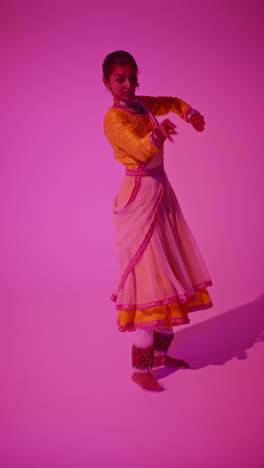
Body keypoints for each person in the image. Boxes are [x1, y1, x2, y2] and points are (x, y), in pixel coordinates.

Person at [103, 50, 213, 391]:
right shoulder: (113, 118)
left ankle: (161, 357)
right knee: (149, 281)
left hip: (162, 194)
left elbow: (171, 100)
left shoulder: (143, 105)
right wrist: (158, 135)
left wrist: (189, 112)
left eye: (132, 77)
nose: (128, 84)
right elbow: (137, 148)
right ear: (106, 82)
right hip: (138, 198)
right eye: (120, 79)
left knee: (170, 274)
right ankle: (140, 369)